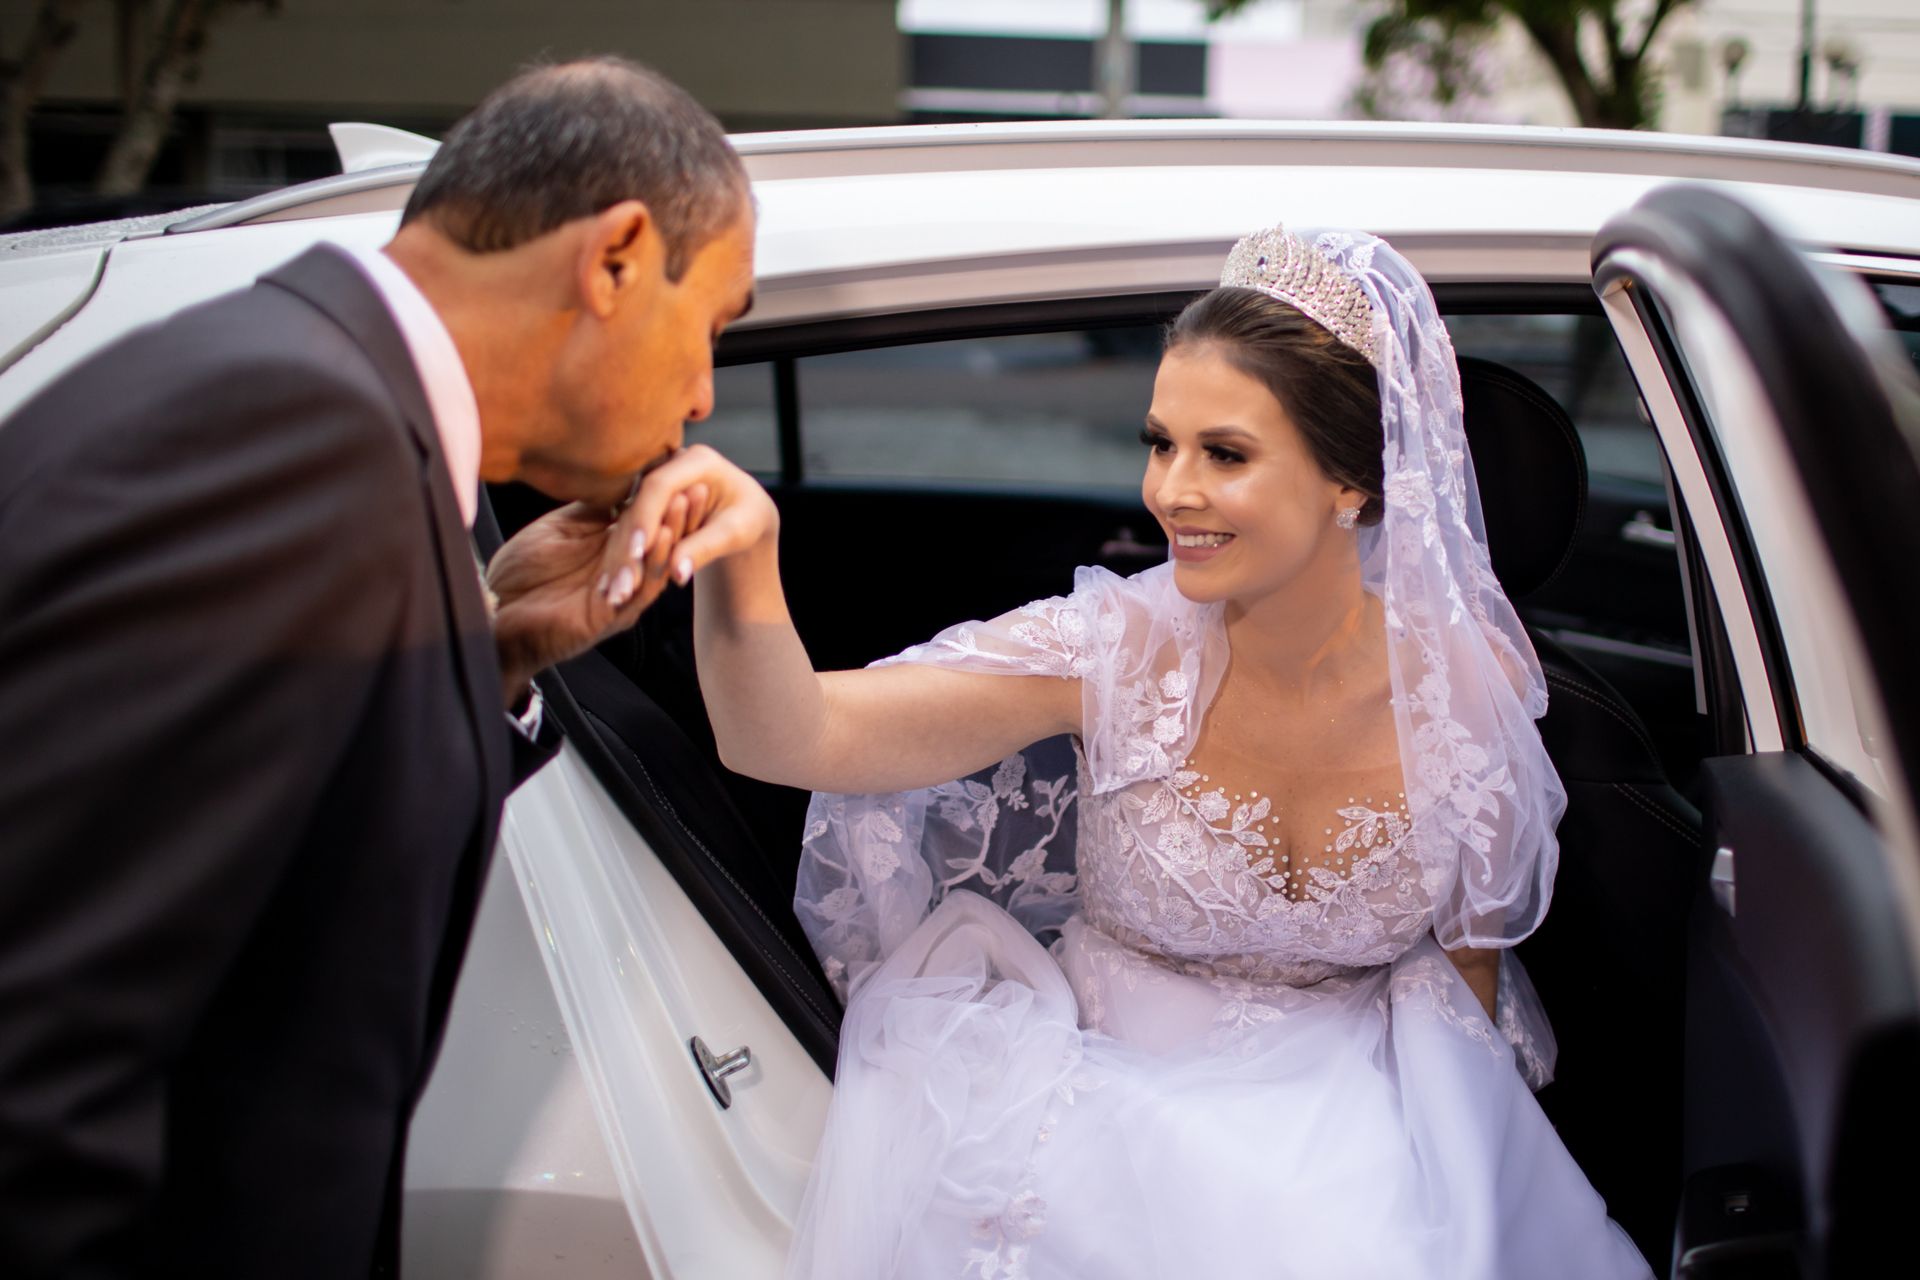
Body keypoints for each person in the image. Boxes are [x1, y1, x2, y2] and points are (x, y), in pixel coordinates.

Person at [620, 226, 1656, 1278]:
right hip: (1101, 1111)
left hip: (1363, 1112)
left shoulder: (1465, 682)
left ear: (1353, 482)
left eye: (1225, 453)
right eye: (1161, 443)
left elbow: (1469, 967)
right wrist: (742, 557)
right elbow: (786, 734)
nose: (1170, 491)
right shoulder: (1110, 646)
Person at [0, 58, 753, 1277]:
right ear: (615, 259)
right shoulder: (290, 435)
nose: (707, 394)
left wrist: (492, 648)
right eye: (715, 324)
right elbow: (43, 1057)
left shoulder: (315, 407)